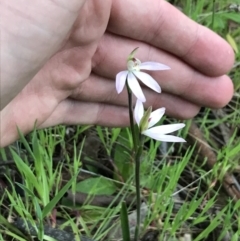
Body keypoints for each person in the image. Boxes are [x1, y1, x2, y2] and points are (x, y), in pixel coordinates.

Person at [0, 0, 235, 148]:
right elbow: (125, 85)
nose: (133, 61)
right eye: (131, 60)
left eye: (135, 60)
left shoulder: (137, 73)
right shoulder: (123, 76)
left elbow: (150, 77)